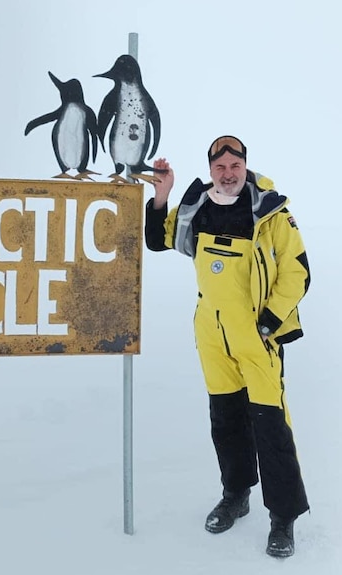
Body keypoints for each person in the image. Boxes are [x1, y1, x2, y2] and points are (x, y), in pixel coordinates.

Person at [144, 135, 311, 558]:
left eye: (234, 165)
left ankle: (283, 520)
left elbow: (298, 271)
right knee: (226, 419)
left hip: (256, 336)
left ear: (245, 166)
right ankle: (236, 495)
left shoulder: (270, 210)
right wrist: (162, 195)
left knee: (271, 425)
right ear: (211, 170)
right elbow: (159, 239)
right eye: (220, 167)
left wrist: (269, 323)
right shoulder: (198, 204)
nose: (228, 173)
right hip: (212, 334)